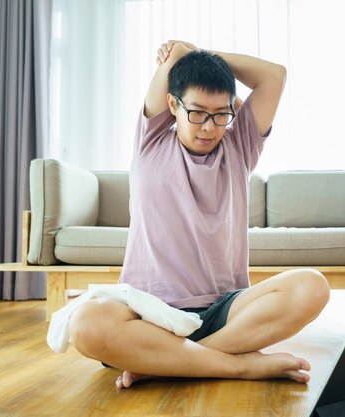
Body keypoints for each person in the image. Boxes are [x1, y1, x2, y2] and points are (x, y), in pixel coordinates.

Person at [68, 40, 330, 389]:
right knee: (86, 324)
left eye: (221, 114)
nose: (209, 127)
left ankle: (171, 363)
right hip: (149, 312)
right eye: (197, 113)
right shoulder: (151, 141)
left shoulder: (239, 146)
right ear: (173, 105)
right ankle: (238, 366)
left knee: (312, 286)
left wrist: (208, 58)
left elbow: (274, 76)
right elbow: (175, 54)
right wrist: (192, 57)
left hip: (224, 311)